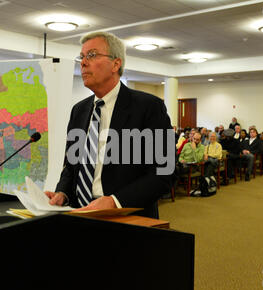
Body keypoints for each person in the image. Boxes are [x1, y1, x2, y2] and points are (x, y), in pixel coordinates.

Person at [44, 31, 174, 219]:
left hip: (125, 217)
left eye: (92, 55)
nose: (83, 62)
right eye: (81, 57)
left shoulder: (149, 107)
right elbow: (71, 167)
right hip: (77, 214)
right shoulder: (78, 110)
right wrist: (62, 193)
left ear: (116, 64)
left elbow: (164, 173)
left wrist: (115, 201)